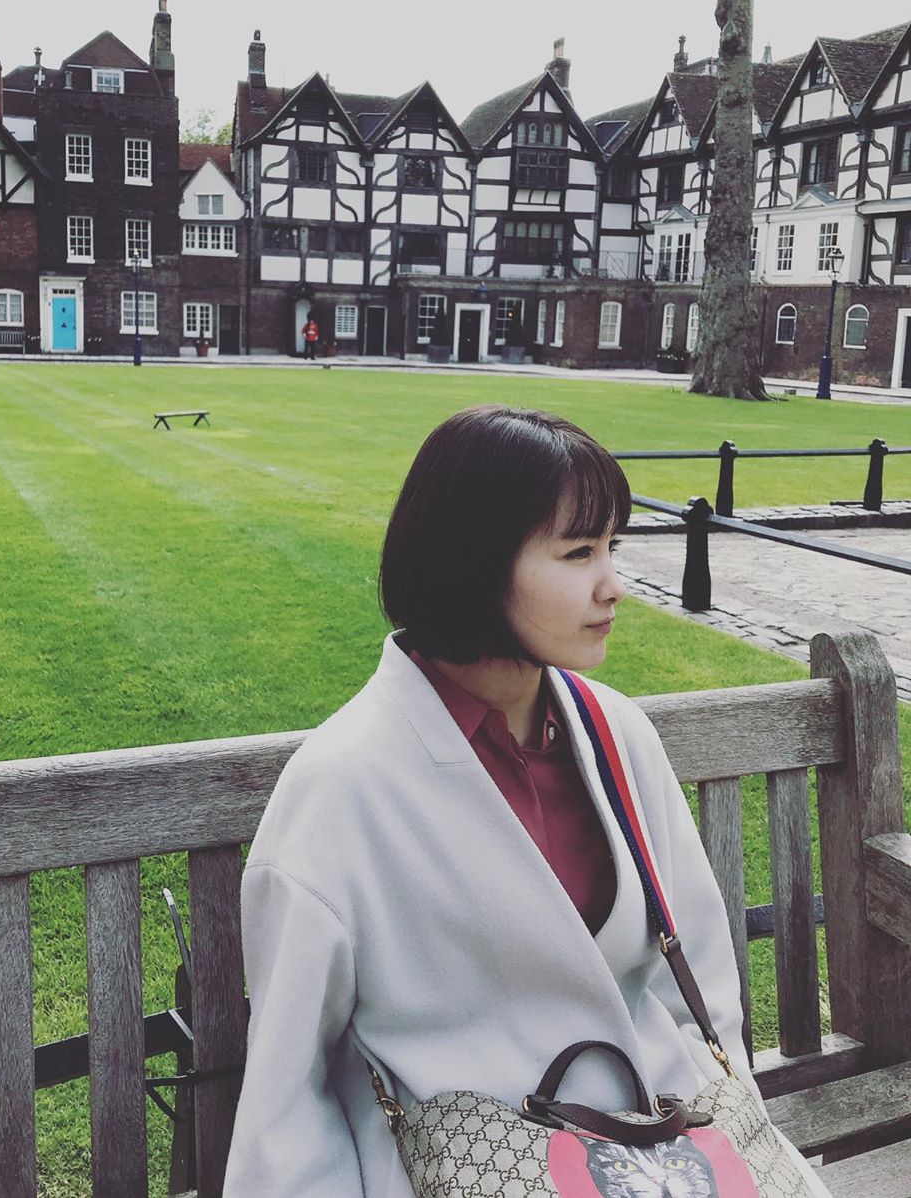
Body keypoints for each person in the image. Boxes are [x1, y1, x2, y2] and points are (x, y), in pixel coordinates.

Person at [223, 405, 829, 1197]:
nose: (614, 585)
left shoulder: (619, 735)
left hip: (660, 1151)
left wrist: (721, 1141)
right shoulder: (342, 787)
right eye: (578, 553)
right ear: (473, 561)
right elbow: (287, 1097)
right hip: (463, 1169)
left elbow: (701, 976)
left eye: (611, 547)